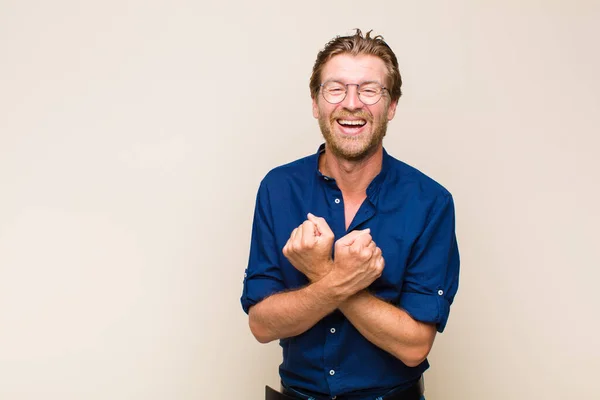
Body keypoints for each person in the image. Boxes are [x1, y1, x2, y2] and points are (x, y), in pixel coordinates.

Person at [241, 29, 460, 400]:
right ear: (316, 102)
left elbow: (414, 347)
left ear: (391, 106)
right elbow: (261, 325)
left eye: (369, 89)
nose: (352, 103)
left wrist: (320, 270)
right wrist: (339, 278)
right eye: (336, 88)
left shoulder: (430, 202)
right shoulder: (278, 189)